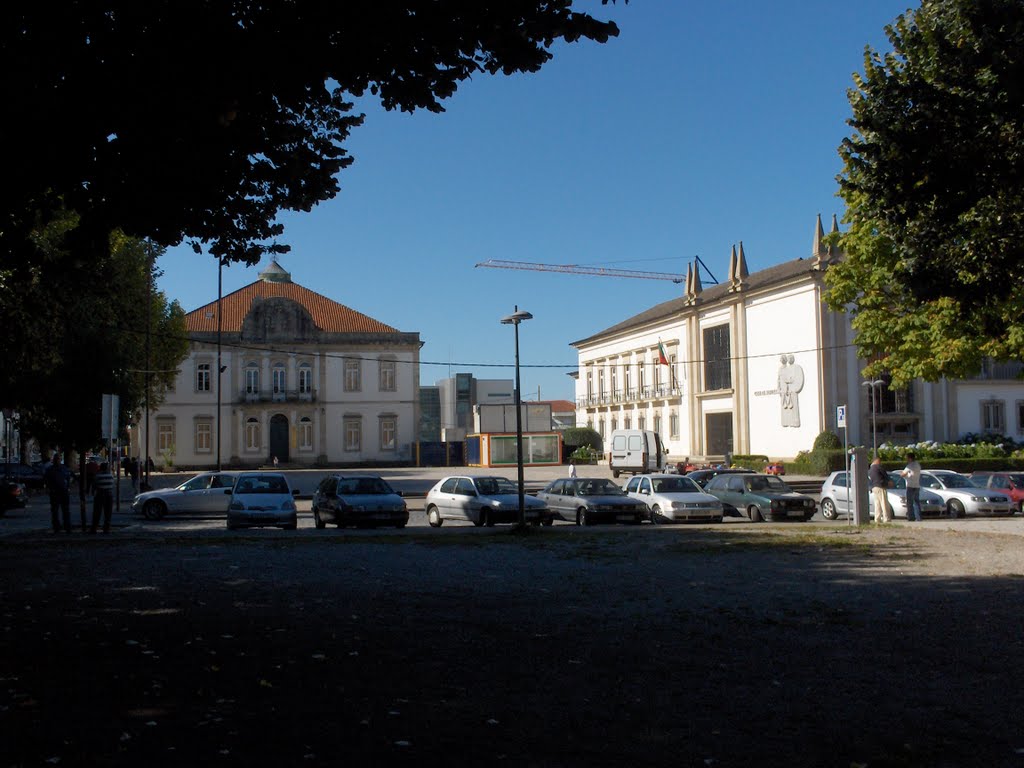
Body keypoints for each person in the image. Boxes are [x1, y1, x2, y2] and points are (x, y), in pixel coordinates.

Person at [44, 453, 72, 533]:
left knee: (63, 510)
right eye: (56, 459)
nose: (57, 461)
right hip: (56, 491)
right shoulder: (51, 469)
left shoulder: (62, 468)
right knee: (57, 511)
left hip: (62, 491)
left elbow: (68, 478)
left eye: (58, 459)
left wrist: (67, 487)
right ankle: (59, 526)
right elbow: (46, 480)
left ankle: (65, 526)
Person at [91, 461, 115, 533]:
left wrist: (93, 492)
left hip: (100, 494)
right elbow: (112, 485)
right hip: (109, 495)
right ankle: (106, 528)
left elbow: (94, 485)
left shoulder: (97, 476)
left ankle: (94, 528)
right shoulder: (110, 475)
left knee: (97, 512)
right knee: (108, 512)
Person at [868, 457, 892, 523]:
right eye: (879, 461)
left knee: (877, 504)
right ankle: (886, 518)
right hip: (881, 486)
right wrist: (889, 481)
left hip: (874, 487)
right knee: (884, 503)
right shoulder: (878, 467)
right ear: (876, 461)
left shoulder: (870, 470)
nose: (880, 463)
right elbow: (885, 475)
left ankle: (877, 518)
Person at [900, 451, 923, 521]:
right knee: (916, 502)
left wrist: (904, 474)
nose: (906, 460)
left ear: (910, 458)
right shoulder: (918, 464)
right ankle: (918, 517)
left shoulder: (909, 466)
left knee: (909, 502)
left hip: (910, 485)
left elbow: (902, 474)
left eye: (907, 458)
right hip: (917, 485)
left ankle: (911, 517)